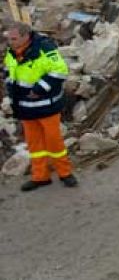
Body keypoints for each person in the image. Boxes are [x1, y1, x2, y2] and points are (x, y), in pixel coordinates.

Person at [3, 22, 77, 191]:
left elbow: (60, 71)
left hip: (45, 105)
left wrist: (39, 89)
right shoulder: (12, 52)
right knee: (34, 144)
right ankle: (40, 176)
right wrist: (12, 91)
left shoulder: (44, 48)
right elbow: (9, 72)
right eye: (9, 39)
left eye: (14, 39)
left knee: (54, 141)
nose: (10, 42)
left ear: (25, 36)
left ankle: (65, 173)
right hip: (25, 106)